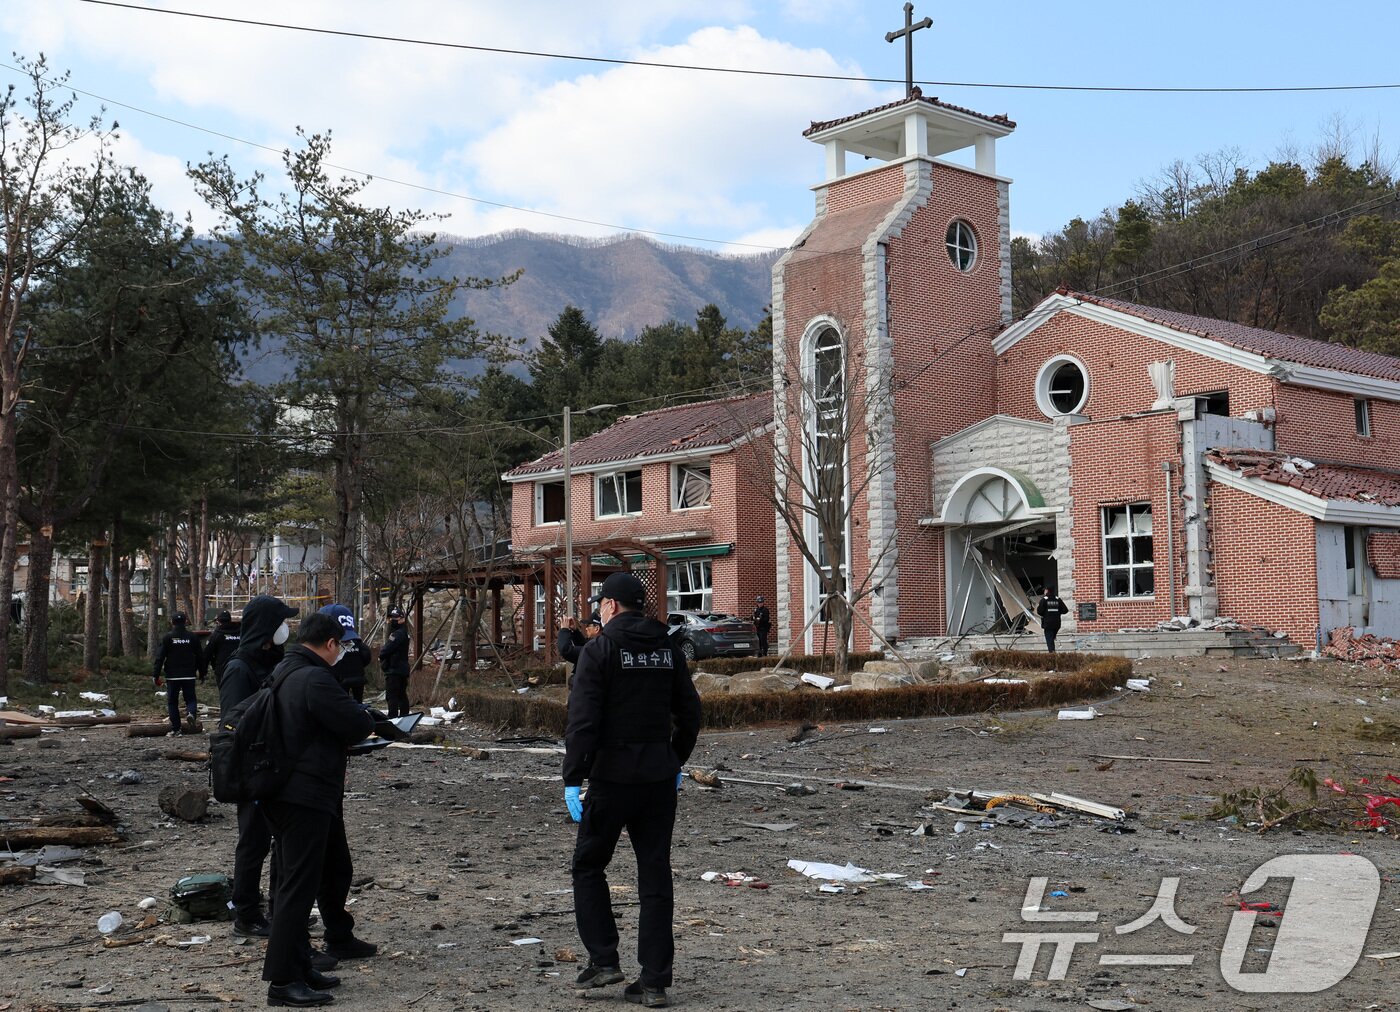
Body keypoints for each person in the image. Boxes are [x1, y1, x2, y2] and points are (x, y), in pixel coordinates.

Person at [564, 572, 702, 1009]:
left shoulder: (599, 650)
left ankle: (604, 959)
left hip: (611, 778)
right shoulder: (668, 649)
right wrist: (674, 759)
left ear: (610, 606)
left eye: (600, 604)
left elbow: (583, 722)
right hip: (659, 779)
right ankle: (655, 981)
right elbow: (690, 714)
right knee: (655, 874)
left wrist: (573, 777)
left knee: (589, 865)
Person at [258, 612, 374, 1007]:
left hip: (282, 790)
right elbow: (355, 724)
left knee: (294, 883)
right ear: (330, 644)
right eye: (341, 645)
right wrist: (365, 719)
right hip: (304, 795)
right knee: (297, 889)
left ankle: (300, 965)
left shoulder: (286, 670)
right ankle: (282, 981)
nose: (342, 652)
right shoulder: (315, 679)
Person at [220, 594, 298, 941]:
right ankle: (247, 913)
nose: (286, 628)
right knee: (253, 842)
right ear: (267, 627)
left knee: (280, 842)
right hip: (252, 769)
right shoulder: (239, 668)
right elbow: (234, 723)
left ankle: (281, 912)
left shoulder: (275, 660)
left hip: (277, 765)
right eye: (281, 622)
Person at [152, 612, 207, 736]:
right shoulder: (192, 637)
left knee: (172, 702)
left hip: (172, 675)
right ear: (185, 622)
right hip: (189, 674)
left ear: (172, 622)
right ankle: (191, 713)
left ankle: (176, 729)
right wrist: (202, 673)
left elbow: (160, 657)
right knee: (190, 698)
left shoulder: (167, 637)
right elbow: (200, 656)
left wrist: (156, 675)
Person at [318, 604, 372, 703]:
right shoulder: (357, 643)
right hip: (356, 677)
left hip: (343, 679)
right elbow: (366, 655)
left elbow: (367, 655)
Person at [378, 607, 410, 719]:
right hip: (402, 669)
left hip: (394, 670)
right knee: (401, 695)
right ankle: (404, 718)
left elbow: (386, 649)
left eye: (395, 618)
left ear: (402, 619)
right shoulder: (404, 632)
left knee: (392, 696)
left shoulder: (398, 634)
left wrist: (381, 656)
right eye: (391, 618)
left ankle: (393, 719)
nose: (392, 620)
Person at [206, 610, 242, 686]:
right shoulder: (241, 633)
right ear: (230, 619)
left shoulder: (216, 635)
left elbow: (208, 653)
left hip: (222, 668)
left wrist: (203, 670)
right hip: (240, 666)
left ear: (219, 621)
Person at [1036, 585, 1070, 655]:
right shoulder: (1058, 599)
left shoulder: (1044, 600)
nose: (1044, 591)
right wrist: (1057, 612)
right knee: (1052, 637)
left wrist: (1046, 613)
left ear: (1047, 590)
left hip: (1048, 624)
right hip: (1057, 624)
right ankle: (1053, 651)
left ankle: (1052, 654)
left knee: (1049, 639)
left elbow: (1039, 611)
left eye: (1045, 590)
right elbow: (1065, 610)